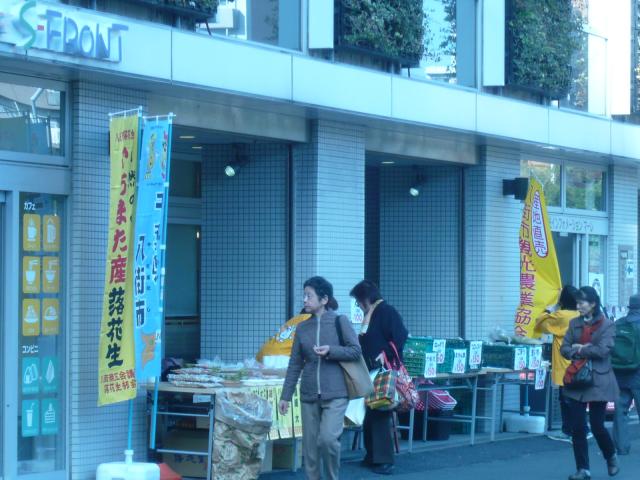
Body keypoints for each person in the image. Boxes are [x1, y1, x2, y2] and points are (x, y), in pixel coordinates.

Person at [279, 276, 361, 480]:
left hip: (336, 392)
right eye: (304, 296)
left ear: (324, 299)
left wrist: (331, 350)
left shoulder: (339, 321)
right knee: (310, 448)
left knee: (327, 440)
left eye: (309, 296)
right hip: (308, 394)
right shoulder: (302, 328)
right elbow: (295, 364)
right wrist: (285, 396)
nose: (305, 300)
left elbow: (355, 351)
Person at [561, 286, 620, 480]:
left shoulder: (607, 325)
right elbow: (565, 349)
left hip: (599, 380)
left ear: (592, 304)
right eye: (577, 303)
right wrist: (580, 350)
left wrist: (580, 349)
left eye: (581, 303)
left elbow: (603, 351)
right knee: (577, 426)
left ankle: (610, 455)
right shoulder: (573, 323)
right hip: (577, 379)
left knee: (597, 425)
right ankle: (583, 470)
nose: (578, 306)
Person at [350, 280, 408, 476]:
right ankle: (372, 455)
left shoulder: (386, 311)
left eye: (358, 301)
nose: (358, 305)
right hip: (370, 370)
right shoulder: (373, 313)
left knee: (381, 412)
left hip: (382, 370)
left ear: (366, 298)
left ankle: (384, 460)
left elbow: (400, 336)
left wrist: (386, 353)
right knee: (371, 413)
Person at [535, 285, 589, 442]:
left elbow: (540, 325)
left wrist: (548, 309)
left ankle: (568, 431)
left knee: (566, 399)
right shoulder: (583, 315)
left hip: (566, 364)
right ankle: (583, 429)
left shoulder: (561, 316)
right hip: (582, 362)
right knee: (579, 399)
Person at [612, 293, 640, 455]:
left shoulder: (618, 324)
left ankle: (621, 448)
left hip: (620, 375)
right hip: (638, 375)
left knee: (620, 412)